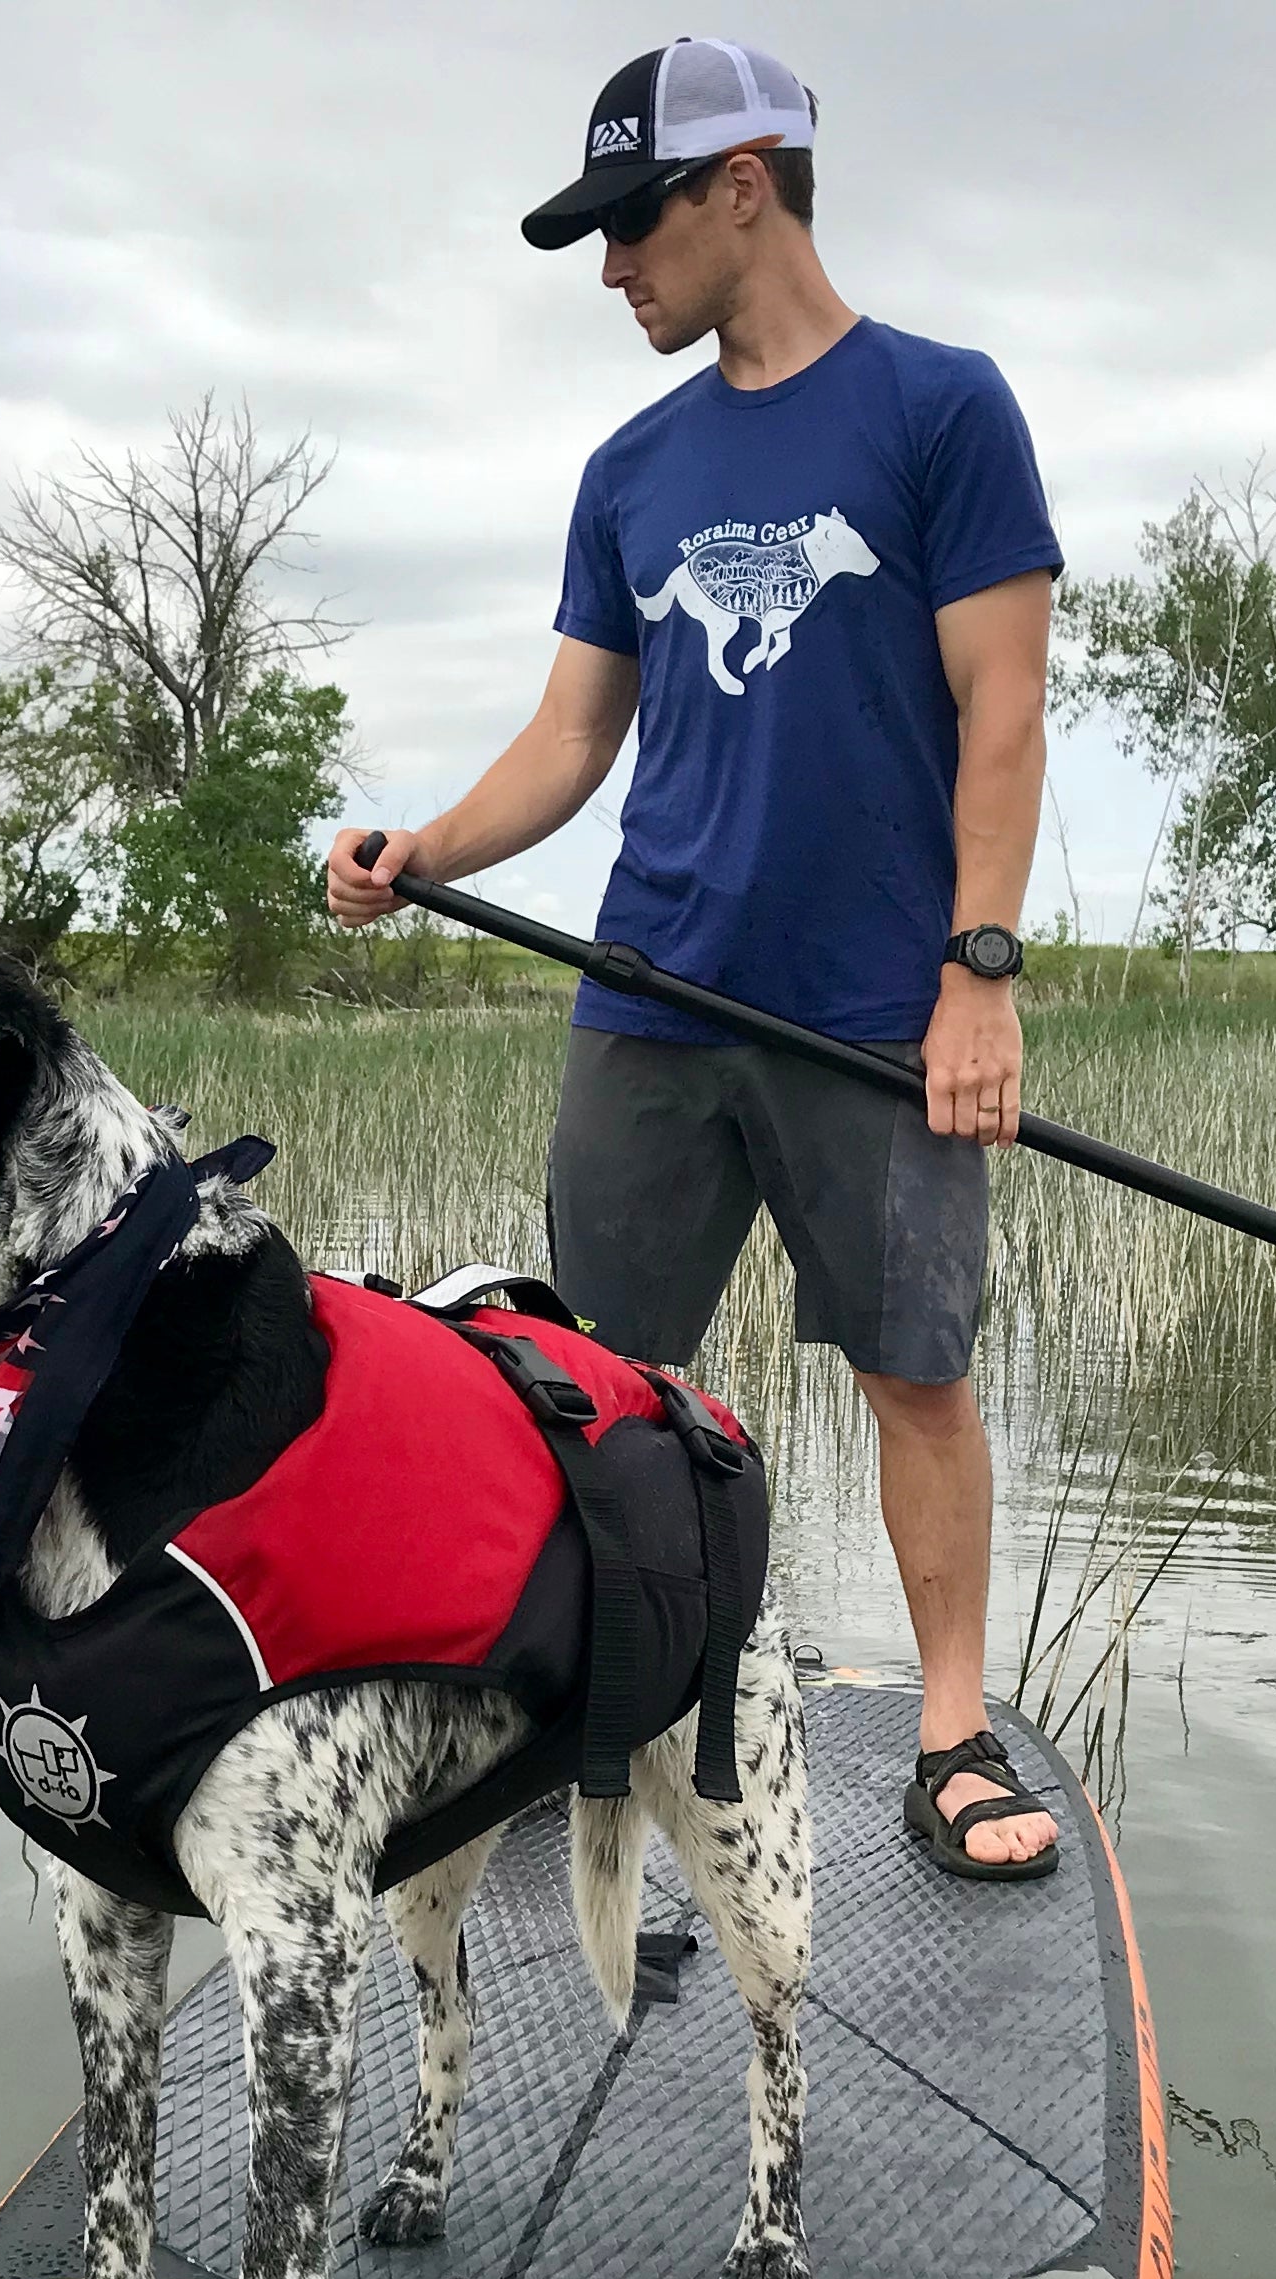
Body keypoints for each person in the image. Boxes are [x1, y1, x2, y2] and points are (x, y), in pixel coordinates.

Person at [327, 36, 1061, 1882]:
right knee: (601, 1385)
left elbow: (1006, 707)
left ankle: (953, 1734)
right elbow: (575, 740)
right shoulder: (629, 467)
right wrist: (425, 852)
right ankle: (592, 1740)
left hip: (878, 1018)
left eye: (628, 223)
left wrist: (979, 971)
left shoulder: (941, 410)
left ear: (745, 184)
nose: (609, 270)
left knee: (916, 1373)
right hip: (649, 998)